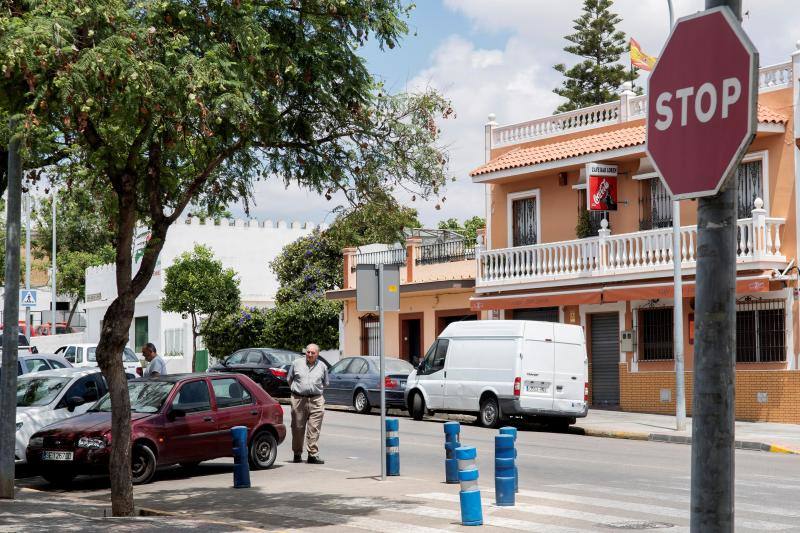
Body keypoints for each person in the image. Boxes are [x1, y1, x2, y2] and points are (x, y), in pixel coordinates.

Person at [287, 343, 328, 464]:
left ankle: (312, 454)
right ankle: (297, 453)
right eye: (308, 352)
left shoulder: (322, 366)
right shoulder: (296, 363)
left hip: (316, 399)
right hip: (299, 399)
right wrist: (297, 391)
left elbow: (325, 383)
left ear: (317, 354)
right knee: (298, 427)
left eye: (312, 353)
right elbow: (289, 379)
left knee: (314, 428)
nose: (309, 354)